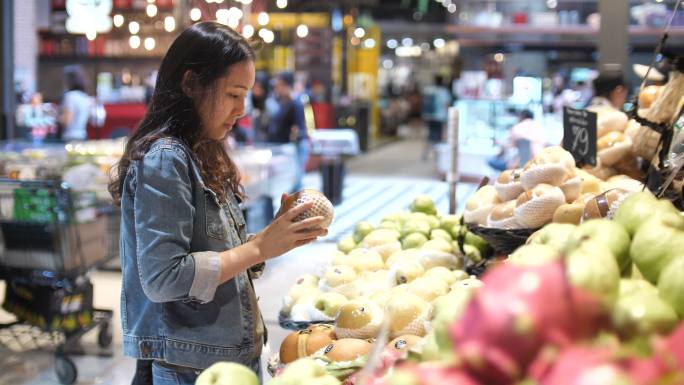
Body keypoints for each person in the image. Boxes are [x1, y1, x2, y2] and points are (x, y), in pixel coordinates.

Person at [108, 22, 328, 385]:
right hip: (190, 367)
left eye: (247, 95)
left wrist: (272, 238)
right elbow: (164, 278)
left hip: (221, 358)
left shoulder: (202, 151)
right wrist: (258, 246)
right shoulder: (166, 158)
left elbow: (222, 257)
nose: (242, 110)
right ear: (191, 83)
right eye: (233, 94)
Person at [267, 71, 310, 193]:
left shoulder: (295, 102)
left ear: (287, 85)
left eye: (280, 85)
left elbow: (298, 128)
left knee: (296, 182)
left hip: (296, 146)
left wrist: (291, 143)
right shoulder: (283, 101)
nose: (277, 87)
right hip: (289, 146)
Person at [422, 75, 452, 160]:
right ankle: (438, 155)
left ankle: (425, 153)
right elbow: (447, 104)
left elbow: (424, 103)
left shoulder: (428, 90)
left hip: (428, 116)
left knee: (429, 136)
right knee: (439, 137)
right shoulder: (444, 91)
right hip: (440, 116)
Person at [59, 65, 93, 141]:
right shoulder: (85, 97)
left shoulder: (70, 96)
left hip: (70, 137)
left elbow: (67, 120)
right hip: (83, 136)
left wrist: (55, 118)